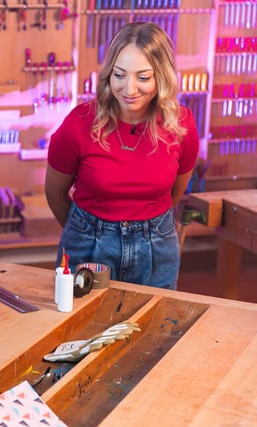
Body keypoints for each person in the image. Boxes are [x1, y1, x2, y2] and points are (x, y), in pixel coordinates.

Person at [45, 22, 200, 290]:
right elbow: (54, 193)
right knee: (81, 329)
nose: (129, 89)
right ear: (108, 74)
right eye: (119, 75)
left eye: (142, 77)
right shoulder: (79, 123)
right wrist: (85, 230)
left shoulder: (181, 125)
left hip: (157, 247)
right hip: (87, 244)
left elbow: (174, 193)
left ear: (161, 78)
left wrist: (149, 223)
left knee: (154, 329)